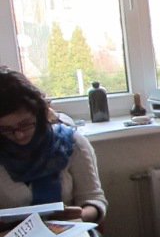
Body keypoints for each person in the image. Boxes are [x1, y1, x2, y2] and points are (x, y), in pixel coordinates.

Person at [0, 67, 108, 223]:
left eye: (25, 124)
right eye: (6, 129)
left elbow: (94, 199)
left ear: (39, 114)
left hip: (70, 231)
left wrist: (81, 215)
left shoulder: (71, 144)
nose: (19, 135)